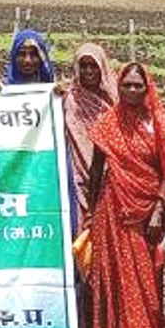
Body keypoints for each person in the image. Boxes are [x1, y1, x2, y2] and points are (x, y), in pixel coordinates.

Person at [83, 62, 165, 328]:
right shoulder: (108, 122)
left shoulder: (159, 122)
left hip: (148, 208)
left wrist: (159, 208)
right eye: (127, 85)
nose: (132, 90)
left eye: (138, 85)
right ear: (119, 87)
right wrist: (91, 211)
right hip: (113, 207)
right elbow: (96, 170)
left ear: (148, 88)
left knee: (146, 277)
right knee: (116, 276)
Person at [64, 44, 116, 219]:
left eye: (94, 66)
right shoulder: (68, 99)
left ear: (102, 67)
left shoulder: (115, 100)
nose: (88, 71)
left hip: (109, 177)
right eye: (83, 66)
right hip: (76, 175)